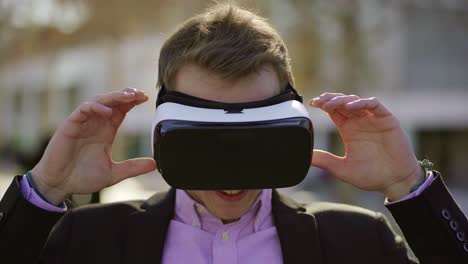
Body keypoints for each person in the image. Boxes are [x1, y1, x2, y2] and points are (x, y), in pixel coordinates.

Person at [0, 4, 467, 264]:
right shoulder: (86, 240)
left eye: (253, 135)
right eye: (205, 137)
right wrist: (45, 189)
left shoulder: (358, 242)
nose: (231, 175)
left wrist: (409, 188)